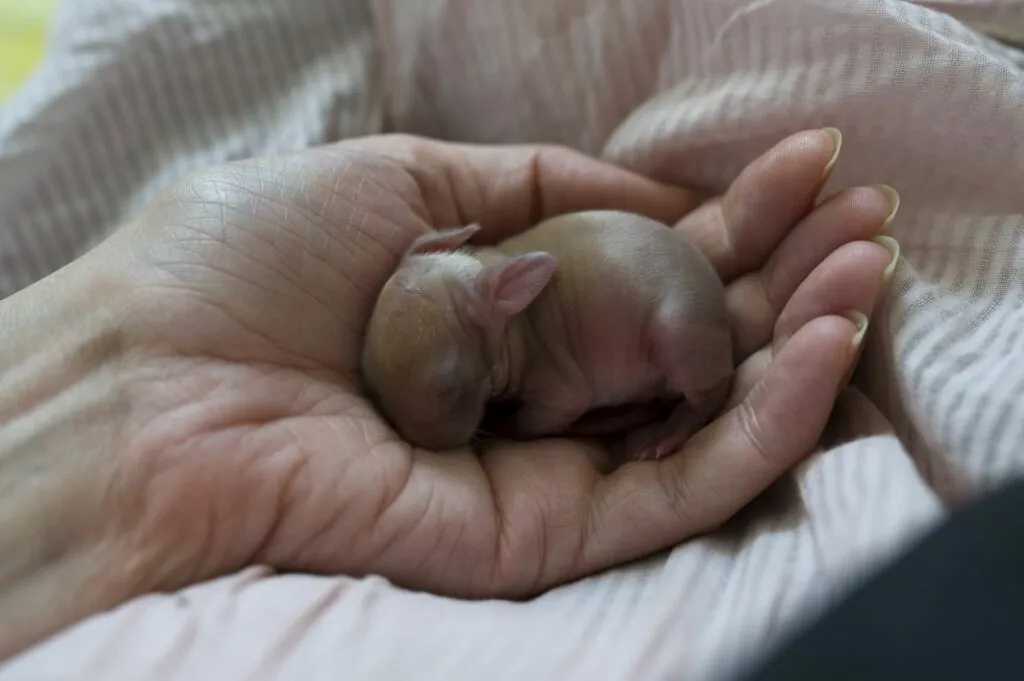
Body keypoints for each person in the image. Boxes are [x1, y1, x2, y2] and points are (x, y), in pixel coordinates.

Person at [0, 128, 897, 661]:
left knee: (681, 344)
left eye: (458, 388)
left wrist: (572, 412)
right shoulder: (462, 290)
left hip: (667, 316)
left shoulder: (533, 339)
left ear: (507, 302)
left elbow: (560, 390)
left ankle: (690, 400)